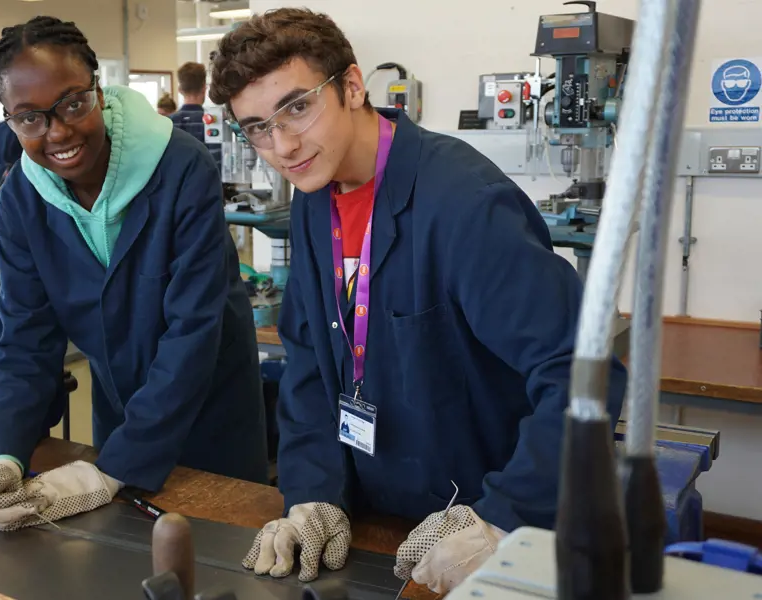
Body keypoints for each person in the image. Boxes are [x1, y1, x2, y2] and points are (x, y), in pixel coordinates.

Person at [208, 8, 627, 594]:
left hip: (482, 526)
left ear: (352, 86)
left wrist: (503, 517)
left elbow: (583, 377)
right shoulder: (312, 197)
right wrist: (313, 495)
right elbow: (308, 363)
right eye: (255, 126)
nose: (281, 145)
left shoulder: (462, 203)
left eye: (297, 107)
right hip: (383, 524)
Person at [0, 16, 268, 533]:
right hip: (121, 418)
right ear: (9, 121)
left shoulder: (180, 169)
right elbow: (22, 335)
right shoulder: (22, 197)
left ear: (98, 92)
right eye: (29, 119)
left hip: (210, 415)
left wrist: (114, 467)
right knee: (123, 557)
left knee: (220, 559)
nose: (57, 131)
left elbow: (193, 332)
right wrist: (7, 453)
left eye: (72, 103)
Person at [169, 62, 221, 164]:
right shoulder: (214, 123)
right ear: (204, 88)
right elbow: (217, 162)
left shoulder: (168, 123)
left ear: (180, 90)